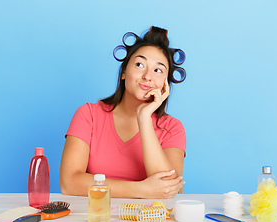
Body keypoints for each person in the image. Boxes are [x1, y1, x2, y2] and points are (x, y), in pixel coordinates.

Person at [60, 26, 186, 199]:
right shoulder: (88, 115)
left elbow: (168, 190)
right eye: (140, 64)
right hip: (96, 218)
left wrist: (144, 118)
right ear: (124, 72)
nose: (147, 76)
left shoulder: (172, 128)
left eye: (158, 70)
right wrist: (141, 190)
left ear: (165, 83)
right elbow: (69, 182)